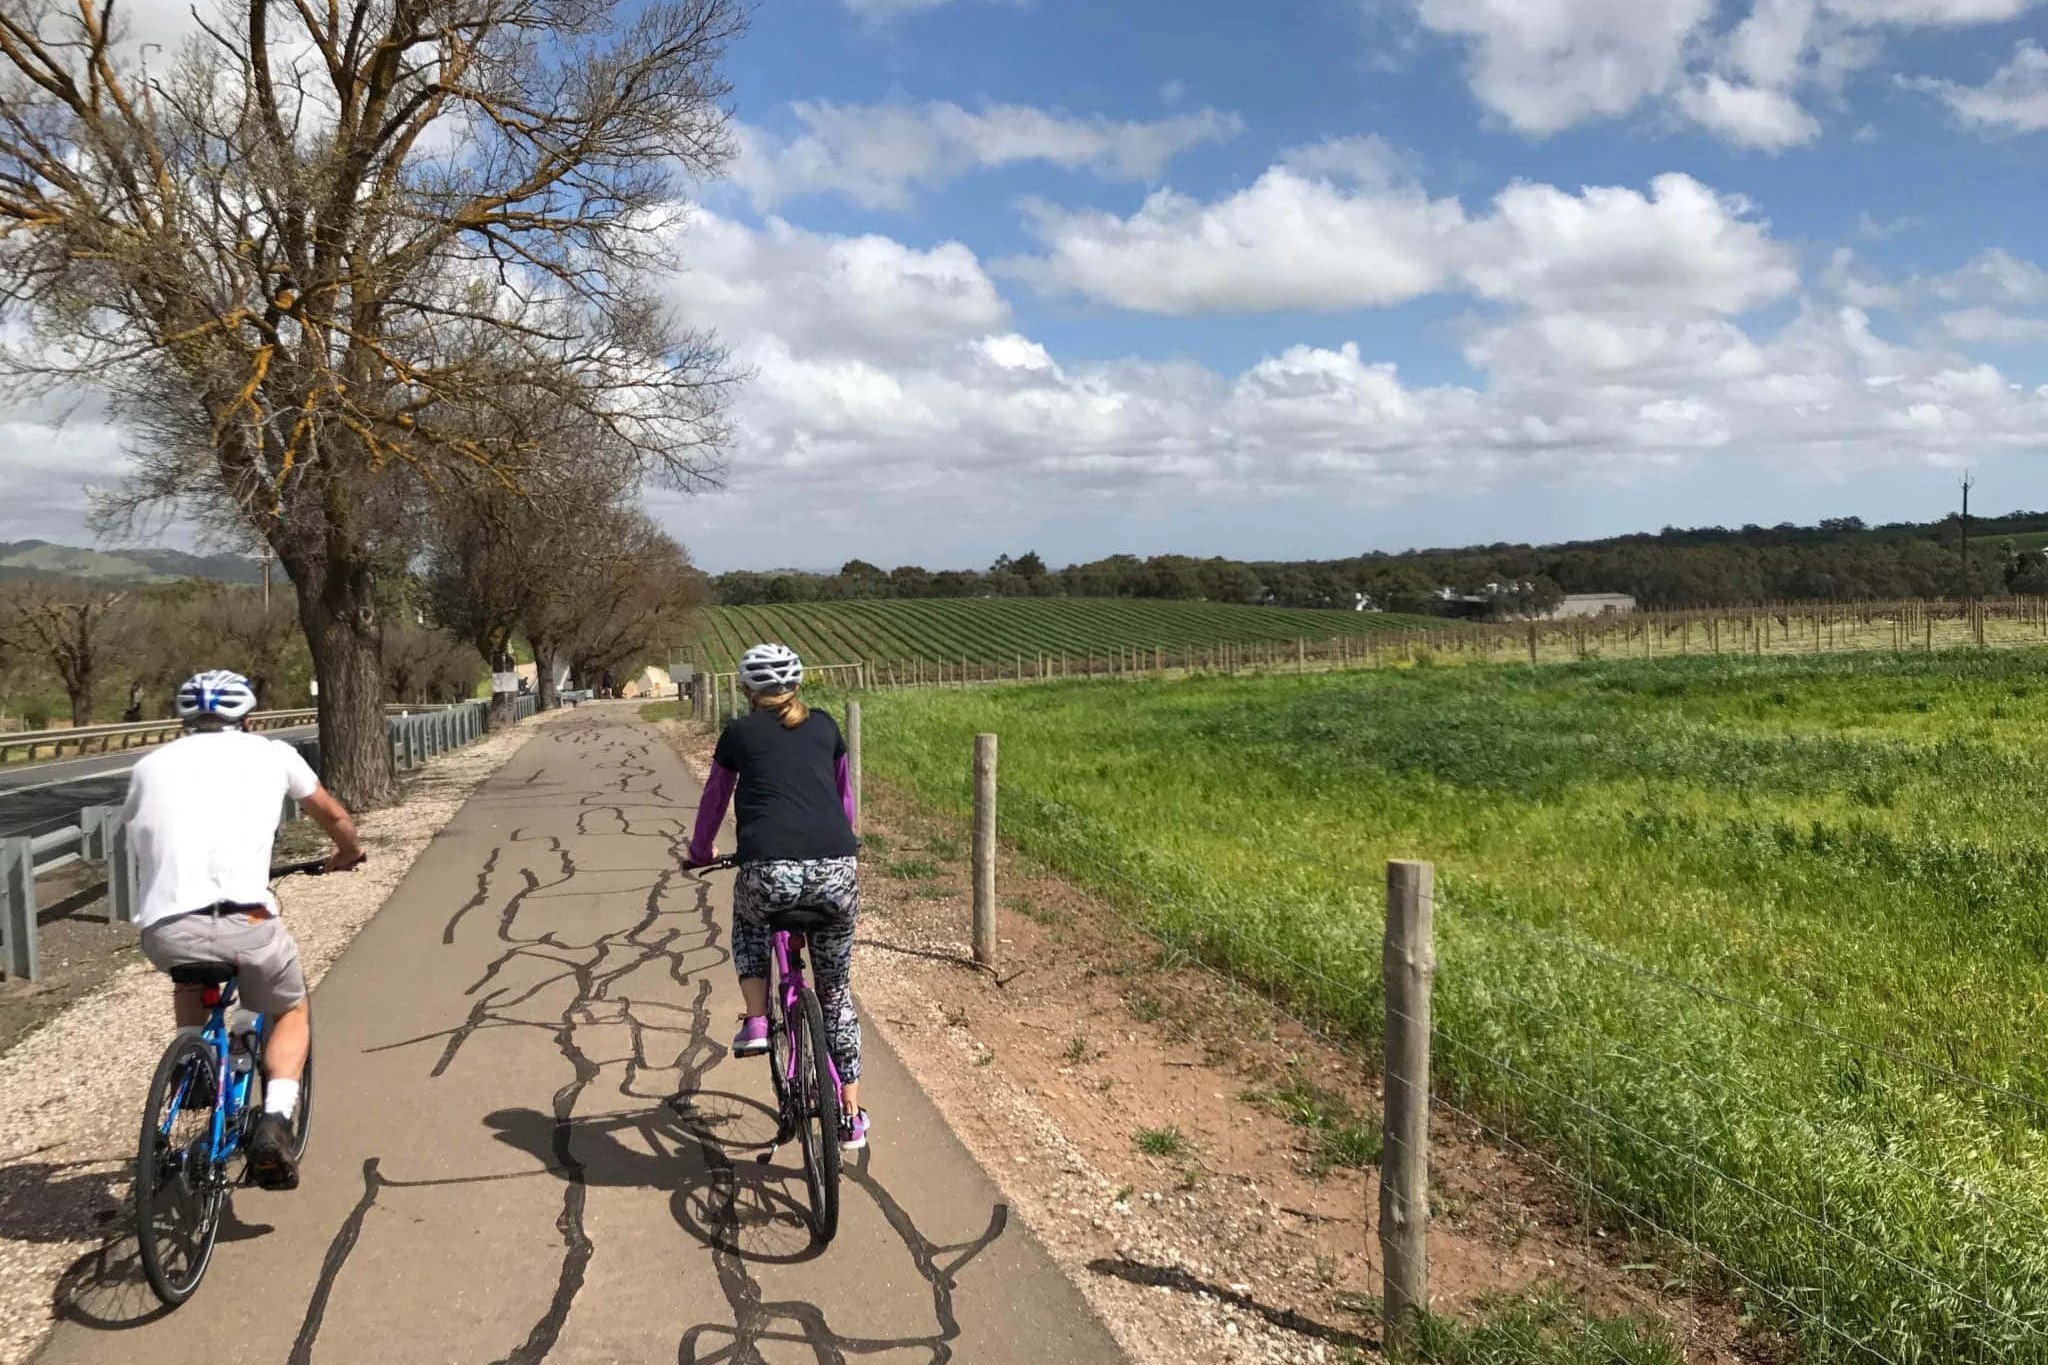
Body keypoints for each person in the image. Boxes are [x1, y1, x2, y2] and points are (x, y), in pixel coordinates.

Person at [123, 670, 365, 1191]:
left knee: (192, 981)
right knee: (289, 1008)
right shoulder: (272, 754)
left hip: (166, 924)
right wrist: (348, 852)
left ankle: (195, 1070)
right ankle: (275, 1121)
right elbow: (332, 813)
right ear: (247, 716)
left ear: (184, 718)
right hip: (247, 915)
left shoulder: (148, 766)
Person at [686, 643, 868, 1151]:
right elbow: (844, 799)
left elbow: (714, 801)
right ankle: (850, 1113)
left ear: (746, 689)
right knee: (835, 995)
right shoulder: (826, 726)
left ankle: (759, 1019)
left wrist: (701, 852)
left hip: (768, 871)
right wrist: (836, 847)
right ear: (798, 684)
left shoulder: (738, 734)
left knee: (748, 921)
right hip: (836, 867)